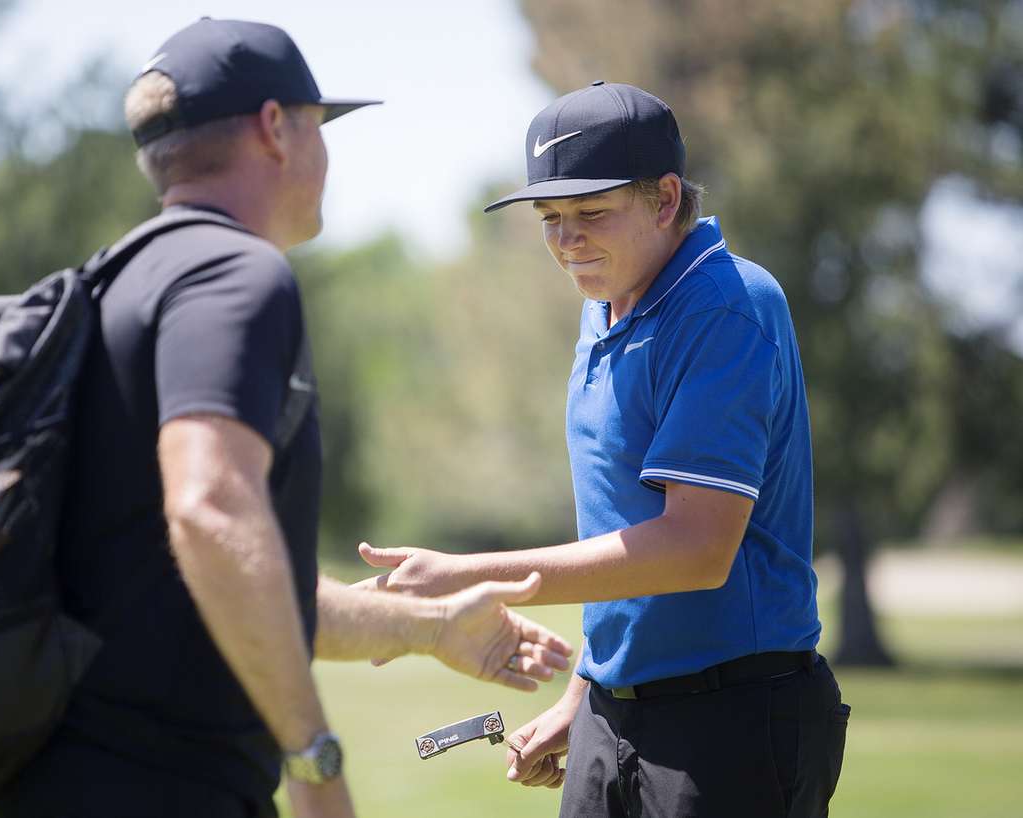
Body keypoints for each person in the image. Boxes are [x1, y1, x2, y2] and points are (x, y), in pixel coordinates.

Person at [0, 18, 571, 818]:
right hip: (165, 790)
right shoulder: (235, 274)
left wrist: (432, 625)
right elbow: (212, 512)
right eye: (319, 126)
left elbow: (235, 578)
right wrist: (313, 754)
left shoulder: (111, 283)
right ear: (274, 128)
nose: (326, 156)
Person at [358, 82, 850, 818]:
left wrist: (464, 578)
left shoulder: (726, 306)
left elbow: (694, 548)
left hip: (734, 724)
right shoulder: (605, 308)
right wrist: (589, 693)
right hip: (615, 715)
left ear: (664, 199)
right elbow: (620, 536)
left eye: (590, 213)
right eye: (550, 218)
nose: (566, 240)